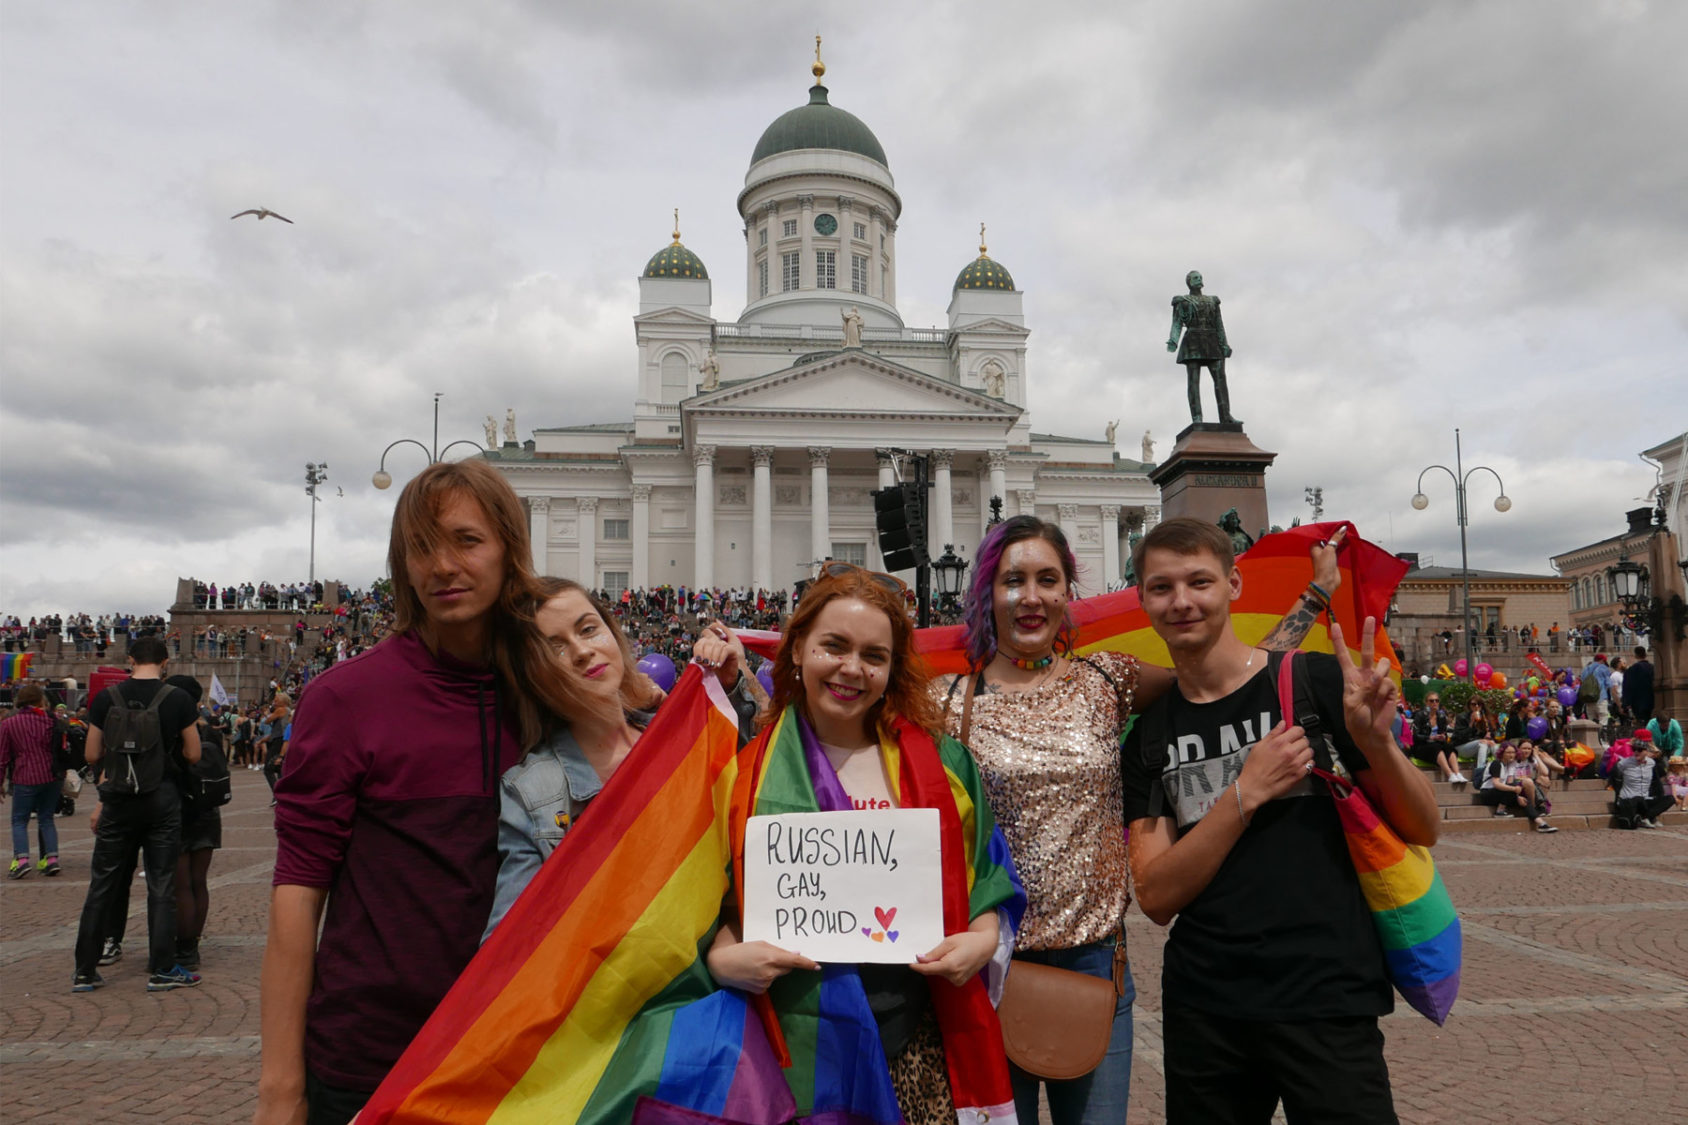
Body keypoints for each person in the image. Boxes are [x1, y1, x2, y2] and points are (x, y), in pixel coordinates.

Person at [933, 515, 1345, 1125]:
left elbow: (1230, 676)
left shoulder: (1107, 680)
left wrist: (1314, 600)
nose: (1030, 596)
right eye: (1011, 579)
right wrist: (737, 674)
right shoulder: (945, 701)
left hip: (1097, 966)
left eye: (1048, 578)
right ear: (987, 592)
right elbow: (844, 711)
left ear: (1068, 592)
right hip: (988, 968)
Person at [257, 460, 572, 1125]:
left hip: (520, 1049)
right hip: (375, 1056)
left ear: (510, 547)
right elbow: (297, 894)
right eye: (421, 547)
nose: (442, 565)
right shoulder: (345, 697)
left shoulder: (548, 690)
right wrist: (280, 1087)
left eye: (465, 539)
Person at [1123, 517, 1440, 1124]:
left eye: (1199, 581)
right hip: (1206, 1007)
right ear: (1142, 600)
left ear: (1233, 586)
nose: (1182, 601)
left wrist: (1378, 747)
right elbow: (1157, 895)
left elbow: (1424, 827)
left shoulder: (1311, 684)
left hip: (1326, 994)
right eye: (1161, 587)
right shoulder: (1151, 735)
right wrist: (1243, 795)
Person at [705, 563, 1023, 1124]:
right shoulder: (741, 778)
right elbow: (719, 904)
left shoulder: (944, 764)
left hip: (920, 1043)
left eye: (874, 656)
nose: (852, 669)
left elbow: (988, 873)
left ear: (891, 668)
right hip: (799, 1051)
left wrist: (983, 937)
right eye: (835, 646)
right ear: (798, 647)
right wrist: (724, 957)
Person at [481, 579, 759, 940]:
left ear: (613, 634)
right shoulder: (532, 792)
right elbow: (509, 951)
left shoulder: (686, 738)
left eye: (588, 629)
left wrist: (735, 683)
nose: (582, 651)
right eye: (556, 648)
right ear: (532, 675)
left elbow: (750, 846)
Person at [72, 636, 203, 993]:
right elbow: (193, 753)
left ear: (130, 659)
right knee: (161, 884)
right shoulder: (177, 699)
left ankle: (85, 970)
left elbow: (91, 754)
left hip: (117, 797)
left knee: (103, 884)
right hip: (161, 796)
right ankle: (162, 968)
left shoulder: (105, 698)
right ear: (166, 662)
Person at [168, 675, 220, 973]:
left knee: (181, 883)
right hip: (209, 812)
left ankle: (183, 948)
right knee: (199, 882)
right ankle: (193, 945)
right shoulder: (210, 731)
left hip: (180, 809)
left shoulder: (175, 731)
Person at [1, 683, 62, 878]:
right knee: (46, 818)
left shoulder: (9, 724)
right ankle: (51, 860)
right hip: (52, 776)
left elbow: (2, 757)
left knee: (19, 820)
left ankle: (22, 860)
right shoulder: (51, 721)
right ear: (40, 700)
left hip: (25, 775)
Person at [1478, 742, 1556, 832]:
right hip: (1488, 793)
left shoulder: (1508, 765)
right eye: (1508, 752)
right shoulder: (1496, 764)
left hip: (1502, 794)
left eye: (1513, 752)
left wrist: (1517, 795)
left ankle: (1542, 824)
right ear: (1502, 753)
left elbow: (1545, 772)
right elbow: (1496, 783)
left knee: (1524, 800)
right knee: (1513, 787)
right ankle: (1500, 811)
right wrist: (1514, 790)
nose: (1511, 755)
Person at [1609, 731, 1671, 829]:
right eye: (1634, 749)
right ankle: (1644, 818)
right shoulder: (1624, 763)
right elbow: (1614, 778)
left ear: (1646, 751)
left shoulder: (1651, 763)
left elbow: (1658, 780)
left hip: (1645, 799)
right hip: (1630, 799)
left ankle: (1646, 817)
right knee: (1636, 801)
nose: (1636, 752)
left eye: (1640, 750)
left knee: (1670, 799)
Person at [1416, 691, 1461, 783]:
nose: (1435, 703)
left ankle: (1457, 773)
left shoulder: (1441, 716)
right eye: (1431, 701)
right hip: (1422, 745)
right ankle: (1449, 774)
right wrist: (1430, 738)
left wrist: (1442, 736)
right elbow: (1416, 735)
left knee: (1449, 747)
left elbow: (1443, 731)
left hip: (1437, 743)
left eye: (1437, 700)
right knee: (1436, 747)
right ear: (1426, 703)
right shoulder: (1420, 715)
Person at [1454, 697, 1500, 782]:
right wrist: (1471, 723)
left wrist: (1489, 737)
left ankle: (1501, 771)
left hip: (1480, 746)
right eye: (1473, 704)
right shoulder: (1462, 717)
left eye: (1479, 704)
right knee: (1482, 744)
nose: (1476, 706)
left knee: (1494, 746)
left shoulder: (1486, 718)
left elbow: (1492, 734)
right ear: (1469, 706)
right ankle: (1479, 774)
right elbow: (1460, 737)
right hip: (1462, 746)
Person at [1624, 646, 1655, 722]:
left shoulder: (1632, 669)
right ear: (1645, 655)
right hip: (1653, 700)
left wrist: (1626, 703)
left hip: (1637, 702)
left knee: (1641, 723)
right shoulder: (1653, 668)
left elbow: (1628, 687)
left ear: (1635, 655)